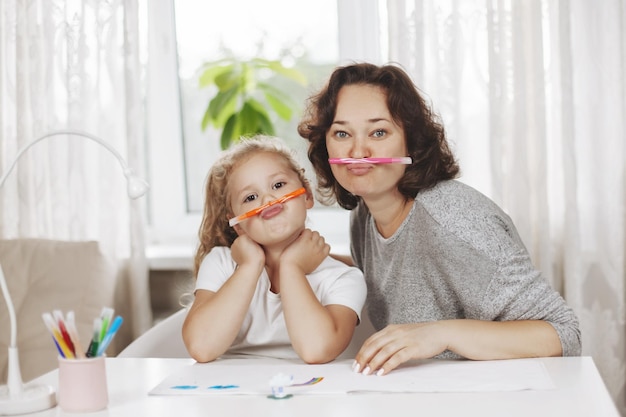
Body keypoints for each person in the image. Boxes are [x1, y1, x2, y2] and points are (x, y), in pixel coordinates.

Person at [298, 62, 581, 376]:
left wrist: (439, 333)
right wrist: (294, 260)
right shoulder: (365, 213)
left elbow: (563, 334)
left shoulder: (454, 220)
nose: (358, 150)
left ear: (411, 140)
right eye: (341, 133)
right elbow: (393, 273)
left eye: (379, 131)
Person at [182, 135, 367, 364]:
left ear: (307, 195)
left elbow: (316, 350)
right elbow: (201, 347)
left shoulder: (343, 278)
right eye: (250, 197)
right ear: (237, 224)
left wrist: (292, 267)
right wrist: (249, 266)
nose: (268, 200)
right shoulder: (221, 263)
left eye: (278, 185)